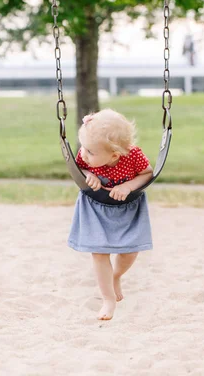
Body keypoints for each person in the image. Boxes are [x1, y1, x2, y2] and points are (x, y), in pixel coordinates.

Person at [68, 109, 153, 321]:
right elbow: (80, 167)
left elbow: (147, 173)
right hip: (96, 205)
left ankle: (116, 276)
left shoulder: (133, 155)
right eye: (84, 149)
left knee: (130, 252)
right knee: (98, 252)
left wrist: (127, 186)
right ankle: (108, 299)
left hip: (128, 206)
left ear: (114, 155)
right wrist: (89, 174)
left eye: (90, 152)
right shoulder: (86, 153)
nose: (84, 154)